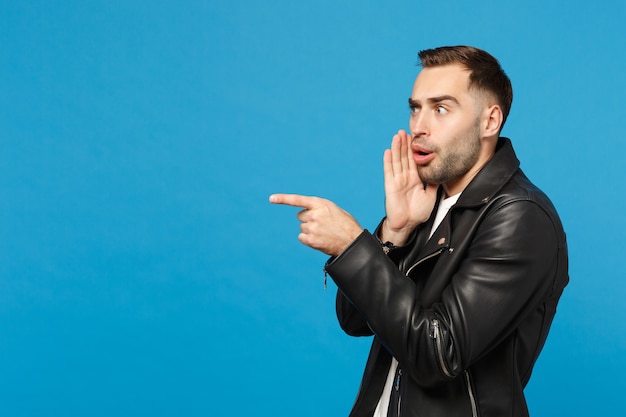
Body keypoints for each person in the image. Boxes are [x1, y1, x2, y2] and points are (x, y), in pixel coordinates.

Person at [269, 45, 568, 417]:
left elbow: (438, 355)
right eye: (416, 108)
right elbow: (354, 320)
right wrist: (395, 232)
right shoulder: (429, 202)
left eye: (440, 109)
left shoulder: (520, 217)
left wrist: (351, 244)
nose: (419, 127)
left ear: (490, 121)